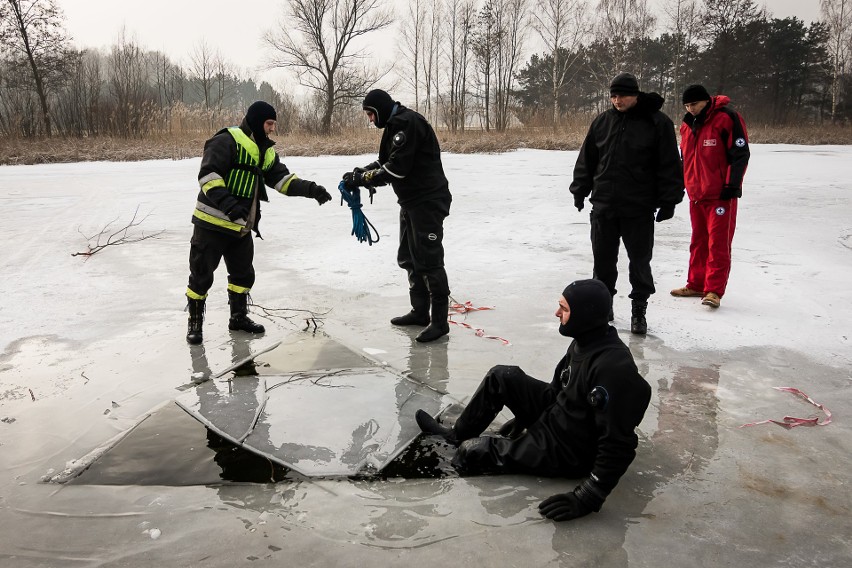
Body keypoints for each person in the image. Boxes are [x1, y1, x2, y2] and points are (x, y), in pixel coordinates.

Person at [415, 279, 651, 521]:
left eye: (565, 309)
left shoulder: (612, 369)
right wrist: (524, 415)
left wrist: (587, 496)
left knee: (473, 451)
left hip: (569, 451)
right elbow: (559, 389)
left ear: (585, 316)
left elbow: (619, 445)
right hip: (560, 417)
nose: (556, 313)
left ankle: (460, 452)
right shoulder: (586, 340)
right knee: (502, 376)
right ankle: (456, 435)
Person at [185, 101, 332, 344]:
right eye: (269, 123)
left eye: (274, 123)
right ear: (256, 121)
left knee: (243, 275)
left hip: (241, 228)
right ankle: (195, 323)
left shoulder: (266, 151)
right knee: (201, 276)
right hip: (211, 225)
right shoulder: (226, 140)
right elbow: (208, 176)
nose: (273, 128)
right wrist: (230, 205)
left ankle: (238, 318)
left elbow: (282, 181)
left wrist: (312, 189)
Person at [570, 72, 684, 335]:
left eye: (621, 95)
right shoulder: (602, 121)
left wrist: (669, 201)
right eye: (613, 95)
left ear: (635, 95)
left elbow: (669, 165)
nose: (616, 100)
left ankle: (639, 310)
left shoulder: (657, 123)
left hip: (638, 208)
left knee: (640, 262)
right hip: (604, 207)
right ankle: (604, 305)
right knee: (603, 262)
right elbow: (587, 159)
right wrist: (580, 190)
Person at [342, 89, 453, 343]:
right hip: (411, 202)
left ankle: (439, 322)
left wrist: (363, 179)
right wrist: (359, 172)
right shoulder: (394, 126)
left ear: (379, 109)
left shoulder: (408, 124)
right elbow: (384, 161)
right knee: (409, 257)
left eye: (370, 114)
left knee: (429, 260)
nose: (370, 119)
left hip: (428, 202)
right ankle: (420, 312)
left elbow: (396, 170)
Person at [672, 84, 750, 309]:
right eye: (687, 105)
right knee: (698, 241)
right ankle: (696, 283)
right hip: (696, 194)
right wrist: (682, 185)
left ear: (706, 100)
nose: (691, 109)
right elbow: (685, 158)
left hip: (720, 195)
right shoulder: (687, 125)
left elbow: (740, 153)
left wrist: (732, 185)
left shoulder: (727, 117)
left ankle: (714, 290)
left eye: (694, 104)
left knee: (718, 243)